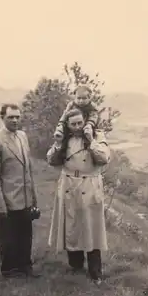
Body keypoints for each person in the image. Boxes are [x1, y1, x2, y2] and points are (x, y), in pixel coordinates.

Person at [46, 108, 111, 285]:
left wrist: (91, 141)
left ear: (85, 122)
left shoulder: (97, 136)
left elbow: (104, 158)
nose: (76, 127)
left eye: (79, 123)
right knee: (71, 225)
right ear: (67, 124)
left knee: (91, 229)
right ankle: (75, 265)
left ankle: (95, 271)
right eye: (73, 124)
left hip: (89, 185)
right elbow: (51, 160)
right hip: (69, 185)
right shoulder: (64, 138)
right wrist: (58, 144)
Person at [0, 103, 40, 279]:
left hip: (25, 198)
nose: (15, 120)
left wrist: (33, 198)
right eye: (10, 117)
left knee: (25, 235)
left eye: (17, 117)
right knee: (8, 238)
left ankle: (25, 267)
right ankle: (9, 271)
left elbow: (28, 168)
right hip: (8, 199)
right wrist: (0, 206)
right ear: (2, 118)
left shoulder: (22, 136)